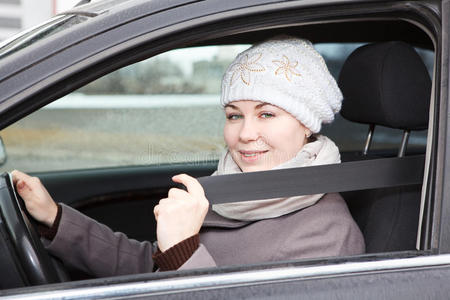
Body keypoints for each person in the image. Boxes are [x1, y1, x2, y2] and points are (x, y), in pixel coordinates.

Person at [11, 36, 365, 277]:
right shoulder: (232, 189)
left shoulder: (328, 234)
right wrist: (55, 219)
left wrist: (183, 251)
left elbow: (176, 265)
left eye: (267, 114)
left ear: (307, 124)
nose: (244, 133)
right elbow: (151, 267)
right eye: (233, 115)